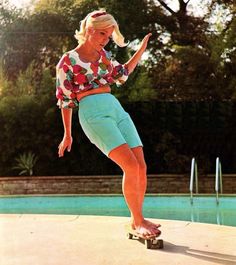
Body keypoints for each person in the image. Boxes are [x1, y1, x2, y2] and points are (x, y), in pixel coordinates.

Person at [56, 9, 161, 237]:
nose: (106, 40)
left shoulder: (103, 56)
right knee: (130, 166)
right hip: (93, 114)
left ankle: (137, 220)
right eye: (102, 34)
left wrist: (141, 51)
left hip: (115, 108)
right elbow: (65, 100)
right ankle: (138, 221)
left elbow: (122, 74)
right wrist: (67, 134)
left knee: (141, 167)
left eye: (109, 35)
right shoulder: (67, 61)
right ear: (90, 31)